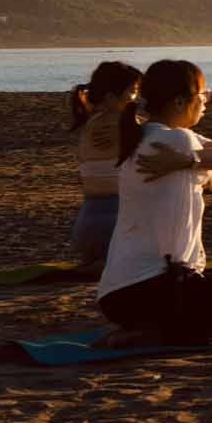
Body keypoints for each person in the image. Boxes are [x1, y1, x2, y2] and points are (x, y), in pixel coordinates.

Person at [96, 59, 212, 343]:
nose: (206, 102)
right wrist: (196, 162)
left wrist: (192, 163)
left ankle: (150, 327)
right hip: (160, 287)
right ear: (180, 102)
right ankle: (161, 334)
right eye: (203, 95)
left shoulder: (143, 137)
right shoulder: (179, 141)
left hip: (117, 295)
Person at [68, 61, 142, 268]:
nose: (137, 98)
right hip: (117, 225)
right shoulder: (123, 124)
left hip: (86, 228)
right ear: (111, 97)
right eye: (133, 92)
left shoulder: (89, 124)